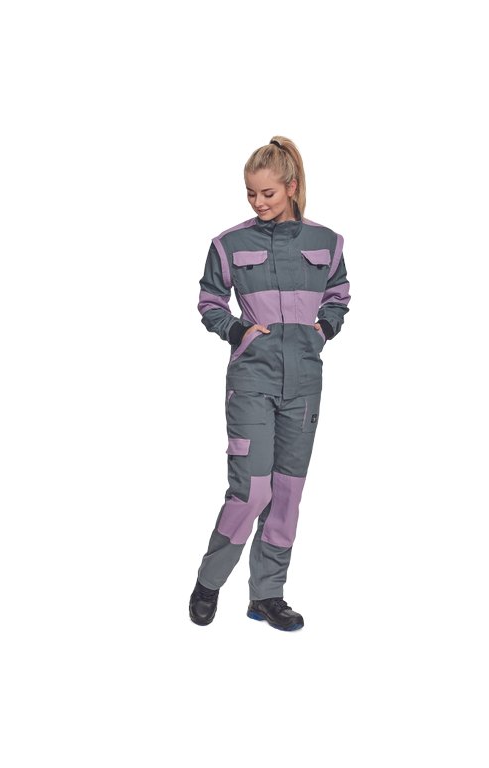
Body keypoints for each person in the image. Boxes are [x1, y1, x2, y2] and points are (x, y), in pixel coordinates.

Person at [189, 136, 351, 631]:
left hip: (304, 383)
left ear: (292, 187)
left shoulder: (328, 242)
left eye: (268, 193)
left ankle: (267, 596)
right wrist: (236, 330)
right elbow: (210, 301)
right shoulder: (229, 244)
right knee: (252, 491)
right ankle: (209, 582)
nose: (258, 203)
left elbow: (339, 294)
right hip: (252, 381)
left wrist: (325, 327)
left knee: (286, 495)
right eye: (251, 193)